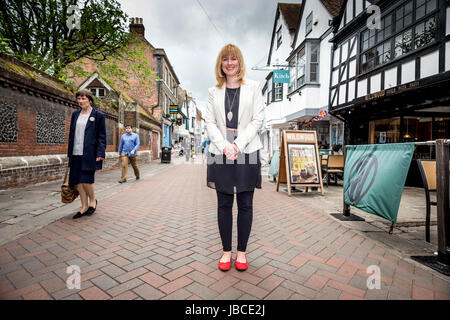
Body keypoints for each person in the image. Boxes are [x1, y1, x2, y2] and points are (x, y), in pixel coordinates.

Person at [205, 44, 264, 272]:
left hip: (247, 149)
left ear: (239, 62)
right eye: (225, 59)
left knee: (246, 204)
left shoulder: (254, 87)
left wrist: (238, 144)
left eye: (234, 59)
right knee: (224, 204)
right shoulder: (213, 91)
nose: (230, 63)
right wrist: (224, 146)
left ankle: (241, 253)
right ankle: (226, 251)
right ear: (220, 64)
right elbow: (210, 122)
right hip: (220, 152)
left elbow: (257, 120)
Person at [67, 89, 106, 219]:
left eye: (83, 98)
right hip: (75, 152)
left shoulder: (98, 115)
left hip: (90, 152)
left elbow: (101, 136)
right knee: (77, 181)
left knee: (86, 180)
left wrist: (100, 152)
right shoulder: (75, 114)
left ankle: (93, 201)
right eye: (78, 99)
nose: (80, 101)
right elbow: (72, 134)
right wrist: (69, 152)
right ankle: (83, 207)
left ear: (90, 99)